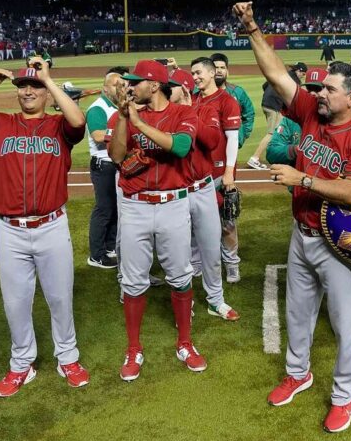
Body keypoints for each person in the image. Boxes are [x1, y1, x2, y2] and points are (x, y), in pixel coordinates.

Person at [234, 0, 351, 433]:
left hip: (342, 245)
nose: (319, 93)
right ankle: (298, 374)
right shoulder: (309, 113)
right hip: (302, 235)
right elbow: (275, 74)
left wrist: (303, 179)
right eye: (319, 89)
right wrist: (252, 29)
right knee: (297, 313)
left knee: (345, 326)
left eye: (329, 90)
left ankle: (344, 397)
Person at [0, 61, 90, 397]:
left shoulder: (59, 126)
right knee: (15, 302)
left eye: (34, 86)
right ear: (15, 90)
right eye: (23, 85)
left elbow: (79, 120)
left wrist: (49, 80)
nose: (28, 90)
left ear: (47, 92)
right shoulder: (1, 124)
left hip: (52, 225)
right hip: (9, 229)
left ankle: (68, 357)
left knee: (60, 297)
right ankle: (21, 363)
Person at [108, 59, 205, 381]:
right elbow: (116, 156)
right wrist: (125, 119)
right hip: (135, 206)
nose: (130, 86)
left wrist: (139, 121)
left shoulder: (182, 114)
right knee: (133, 281)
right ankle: (133, 348)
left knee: (179, 275)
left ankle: (185, 343)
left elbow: (179, 146)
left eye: (136, 82)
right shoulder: (125, 114)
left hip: (172, 205)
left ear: (154, 85)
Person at [170, 68, 240, 322]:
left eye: (172, 86)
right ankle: (183, 301)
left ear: (185, 89)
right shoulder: (162, 113)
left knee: (210, 249)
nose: (167, 89)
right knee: (179, 253)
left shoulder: (206, 110)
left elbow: (211, 141)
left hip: (202, 189)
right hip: (174, 192)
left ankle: (216, 300)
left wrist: (190, 113)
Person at [190, 57, 243, 283]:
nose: (196, 77)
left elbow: (232, 138)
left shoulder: (227, 101)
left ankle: (231, 263)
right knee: (192, 222)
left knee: (226, 221)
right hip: (195, 173)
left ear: (212, 73)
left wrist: (229, 172)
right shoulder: (192, 100)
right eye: (193, 74)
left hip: (219, 172)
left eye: (199, 72)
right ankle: (196, 264)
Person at [86, 66, 128, 269]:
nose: (120, 87)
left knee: (115, 208)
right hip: (103, 165)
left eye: (123, 84)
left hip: (115, 164)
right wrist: (122, 132)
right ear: (105, 88)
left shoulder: (119, 106)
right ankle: (96, 255)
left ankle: (111, 247)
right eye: (116, 84)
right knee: (103, 209)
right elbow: (98, 136)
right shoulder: (97, 108)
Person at [247, 62, 306, 170]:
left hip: (266, 103)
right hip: (273, 106)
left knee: (279, 129)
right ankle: (254, 158)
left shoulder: (283, 75)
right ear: (299, 71)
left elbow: (264, 85)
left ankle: (279, 155)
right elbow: (294, 98)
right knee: (272, 133)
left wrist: (271, 94)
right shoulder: (295, 81)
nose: (303, 76)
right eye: (303, 73)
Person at [209, 53, 255, 148]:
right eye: (216, 67)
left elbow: (249, 113)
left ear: (227, 71)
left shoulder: (237, 92)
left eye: (222, 68)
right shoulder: (199, 92)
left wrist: (242, 135)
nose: (219, 71)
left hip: (230, 145)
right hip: (207, 144)